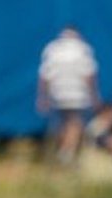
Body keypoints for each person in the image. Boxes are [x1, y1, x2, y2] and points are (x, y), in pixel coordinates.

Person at [36, 26, 101, 165]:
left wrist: (43, 97)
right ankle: (67, 153)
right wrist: (94, 96)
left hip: (57, 93)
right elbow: (89, 75)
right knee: (75, 123)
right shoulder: (83, 49)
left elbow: (45, 76)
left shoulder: (52, 49)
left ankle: (63, 151)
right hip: (78, 94)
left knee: (62, 124)